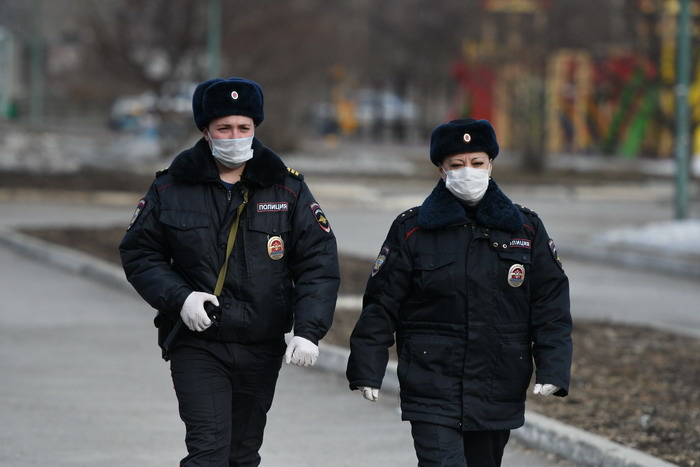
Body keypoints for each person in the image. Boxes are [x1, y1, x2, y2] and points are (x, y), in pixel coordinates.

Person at [120, 77, 340, 466]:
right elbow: (140, 252)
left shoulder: (286, 189)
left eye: (244, 128)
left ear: (255, 129)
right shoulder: (171, 188)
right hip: (197, 342)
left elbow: (318, 261)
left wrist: (309, 331)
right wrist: (180, 297)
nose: (235, 136)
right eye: (224, 128)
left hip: (261, 345)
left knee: (241, 455)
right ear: (206, 131)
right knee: (208, 452)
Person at [346, 118, 572, 467]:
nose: (468, 171)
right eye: (457, 165)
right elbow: (381, 302)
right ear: (442, 170)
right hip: (431, 380)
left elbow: (550, 304)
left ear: (491, 164)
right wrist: (367, 367)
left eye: (477, 163)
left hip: (498, 382)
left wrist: (553, 367)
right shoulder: (412, 230)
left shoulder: (526, 228)